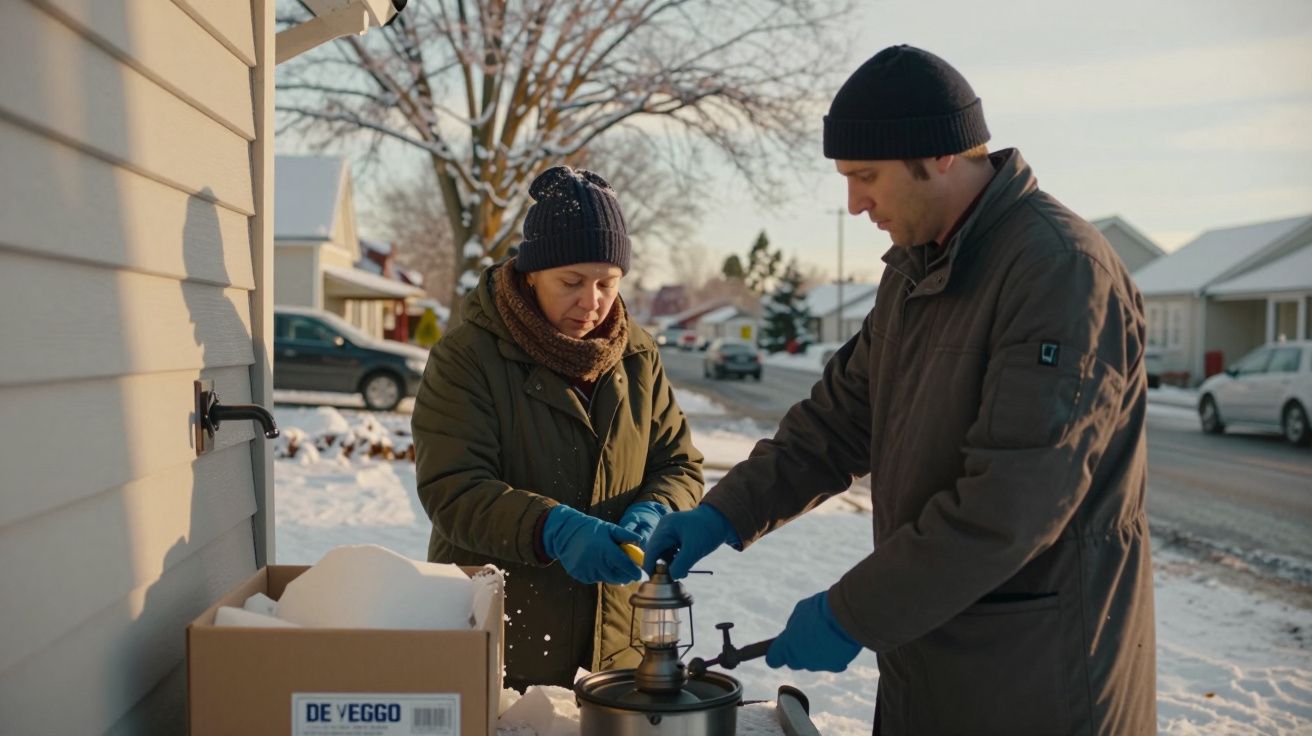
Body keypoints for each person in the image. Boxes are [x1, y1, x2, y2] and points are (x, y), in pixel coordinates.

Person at [644, 45, 1154, 734]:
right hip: (933, 658)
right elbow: (838, 422)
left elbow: (1011, 505)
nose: (854, 204)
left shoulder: (1060, 272)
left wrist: (853, 613)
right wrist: (725, 513)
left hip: (1037, 678)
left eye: (866, 177)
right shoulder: (915, 270)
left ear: (940, 154)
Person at [412, 165, 703, 691]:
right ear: (531, 273)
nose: (591, 302)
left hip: (615, 648)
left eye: (607, 283)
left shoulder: (637, 355)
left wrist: (658, 509)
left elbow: (679, 464)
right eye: (571, 282)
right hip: (501, 646)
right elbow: (452, 489)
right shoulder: (468, 356)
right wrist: (552, 528)